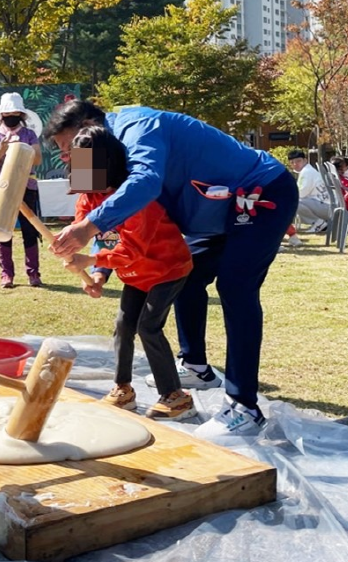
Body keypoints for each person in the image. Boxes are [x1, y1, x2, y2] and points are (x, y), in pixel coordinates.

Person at [45, 101, 297, 438]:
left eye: (68, 147)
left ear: (90, 126)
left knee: (236, 288)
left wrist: (88, 231)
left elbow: (145, 182)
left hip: (257, 192)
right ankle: (196, 366)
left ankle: (244, 408)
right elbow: (100, 210)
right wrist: (95, 248)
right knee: (188, 277)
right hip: (220, 213)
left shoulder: (138, 128)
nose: (68, 158)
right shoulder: (109, 156)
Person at [63, 126, 195, 420]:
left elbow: (131, 250)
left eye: (85, 163)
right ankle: (123, 390)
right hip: (135, 273)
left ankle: (175, 396)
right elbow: (99, 238)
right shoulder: (89, 197)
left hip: (167, 268)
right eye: (76, 163)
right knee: (124, 325)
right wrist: (97, 272)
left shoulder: (136, 200)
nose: (79, 171)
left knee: (148, 327)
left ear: (106, 164)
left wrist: (89, 259)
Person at [0, 93, 44, 288]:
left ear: (21, 114)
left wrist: (21, 147)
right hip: (2, 189)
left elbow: (38, 159)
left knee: (29, 231)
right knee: (2, 229)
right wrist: (1, 149)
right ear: (1, 114)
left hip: (27, 187)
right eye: (7, 113)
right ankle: (6, 274)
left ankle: (33, 273)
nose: (11, 116)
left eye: (15, 113)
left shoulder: (29, 134)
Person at [287, 150, 329, 233]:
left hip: (326, 208)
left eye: (298, 161)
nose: (295, 164)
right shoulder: (306, 170)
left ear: (305, 160)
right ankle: (318, 223)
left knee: (293, 202)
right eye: (292, 162)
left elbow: (301, 194)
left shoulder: (307, 172)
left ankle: (318, 223)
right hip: (324, 205)